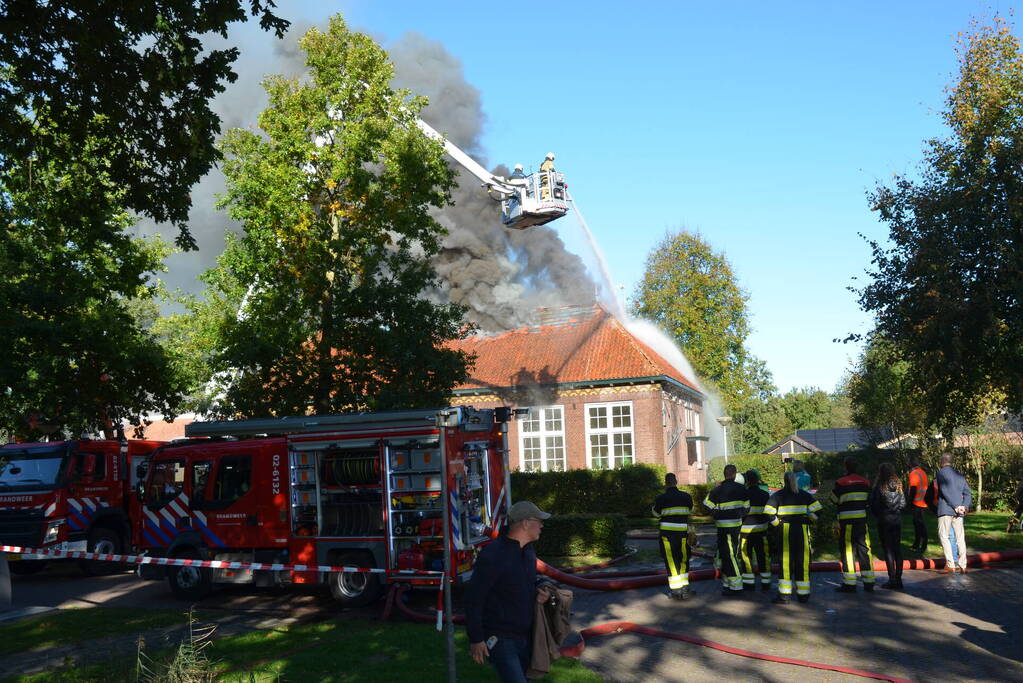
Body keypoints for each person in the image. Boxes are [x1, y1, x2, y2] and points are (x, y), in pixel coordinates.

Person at [465, 501, 554, 682]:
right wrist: (476, 639)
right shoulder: (494, 554)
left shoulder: (528, 552)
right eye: (539, 521)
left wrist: (542, 588)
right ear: (526, 523)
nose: (542, 525)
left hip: (525, 636)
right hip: (501, 639)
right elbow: (473, 599)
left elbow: (528, 581)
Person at [764, 470, 822, 603]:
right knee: (803, 561)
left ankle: (784, 596)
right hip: (801, 530)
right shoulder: (804, 495)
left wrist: (777, 524)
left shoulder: (778, 495)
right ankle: (803, 594)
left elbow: (767, 512)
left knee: (785, 562)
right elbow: (818, 511)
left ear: (784, 481)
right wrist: (809, 520)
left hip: (785, 530)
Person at [705, 464, 750, 597]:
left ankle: (736, 586)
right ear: (735, 474)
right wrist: (739, 515)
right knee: (729, 555)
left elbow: (706, 504)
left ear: (724, 474)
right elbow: (747, 508)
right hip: (736, 525)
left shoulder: (717, 490)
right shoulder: (742, 489)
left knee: (728, 555)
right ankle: (728, 584)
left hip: (722, 527)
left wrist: (717, 514)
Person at [834, 457, 876, 592]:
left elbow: (834, 500)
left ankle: (849, 584)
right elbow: (869, 501)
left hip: (846, 522)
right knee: (864, 549)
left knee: (847, 551)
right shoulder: (865, 482)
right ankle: (869, 582)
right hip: (862, 522)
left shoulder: (840, 482)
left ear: (845, 467)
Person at [652, 472, 694, 600]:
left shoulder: (660, 498)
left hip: (667, 535)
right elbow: (690, 511)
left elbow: (656, 514)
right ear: (676, 482)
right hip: (683, 534)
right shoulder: (687, 497)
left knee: (671, 561)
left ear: (666, 483)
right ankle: (685, 587)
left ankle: (676, 590)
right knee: (683, 559)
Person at [869, 463, 905, 589]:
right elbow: (903, 504)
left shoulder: (879, 487)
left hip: (884, 520)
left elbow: (873, 505)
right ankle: (899, 579)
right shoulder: (898, 485)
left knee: (888, 550)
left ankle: (892, 578)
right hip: (896, 519)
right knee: (897, 549)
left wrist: (879, 514)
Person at [935, 452, 972, 574]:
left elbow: (944, 491)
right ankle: (963, 565)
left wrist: (955, 506)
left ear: (942, 461)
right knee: (960, 537)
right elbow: (967, 493)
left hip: (946, 510)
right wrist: (964, 506)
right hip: (959, 511)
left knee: (944, 536)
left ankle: (950, 564)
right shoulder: (960, 476)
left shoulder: (940, 473)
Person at [738, 469, 773, 591]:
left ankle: (749, 583)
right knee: (763, 557)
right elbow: (769, 513)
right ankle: (766, 582)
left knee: (746, 557)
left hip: (745, 533)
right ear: (758, 480)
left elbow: (740, 514)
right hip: (762, 532)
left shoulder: (743, 495)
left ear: (746, 481)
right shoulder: (765, 495)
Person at [906, 457, 929, 553]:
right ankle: (918, 544)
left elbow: (913, 489)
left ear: (911, 465)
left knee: (919, 525)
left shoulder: (913, 474)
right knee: (920, 524)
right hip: (923, 502)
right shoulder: (922, 472)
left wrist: (909, 503)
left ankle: (920, 545)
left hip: (917, 503)